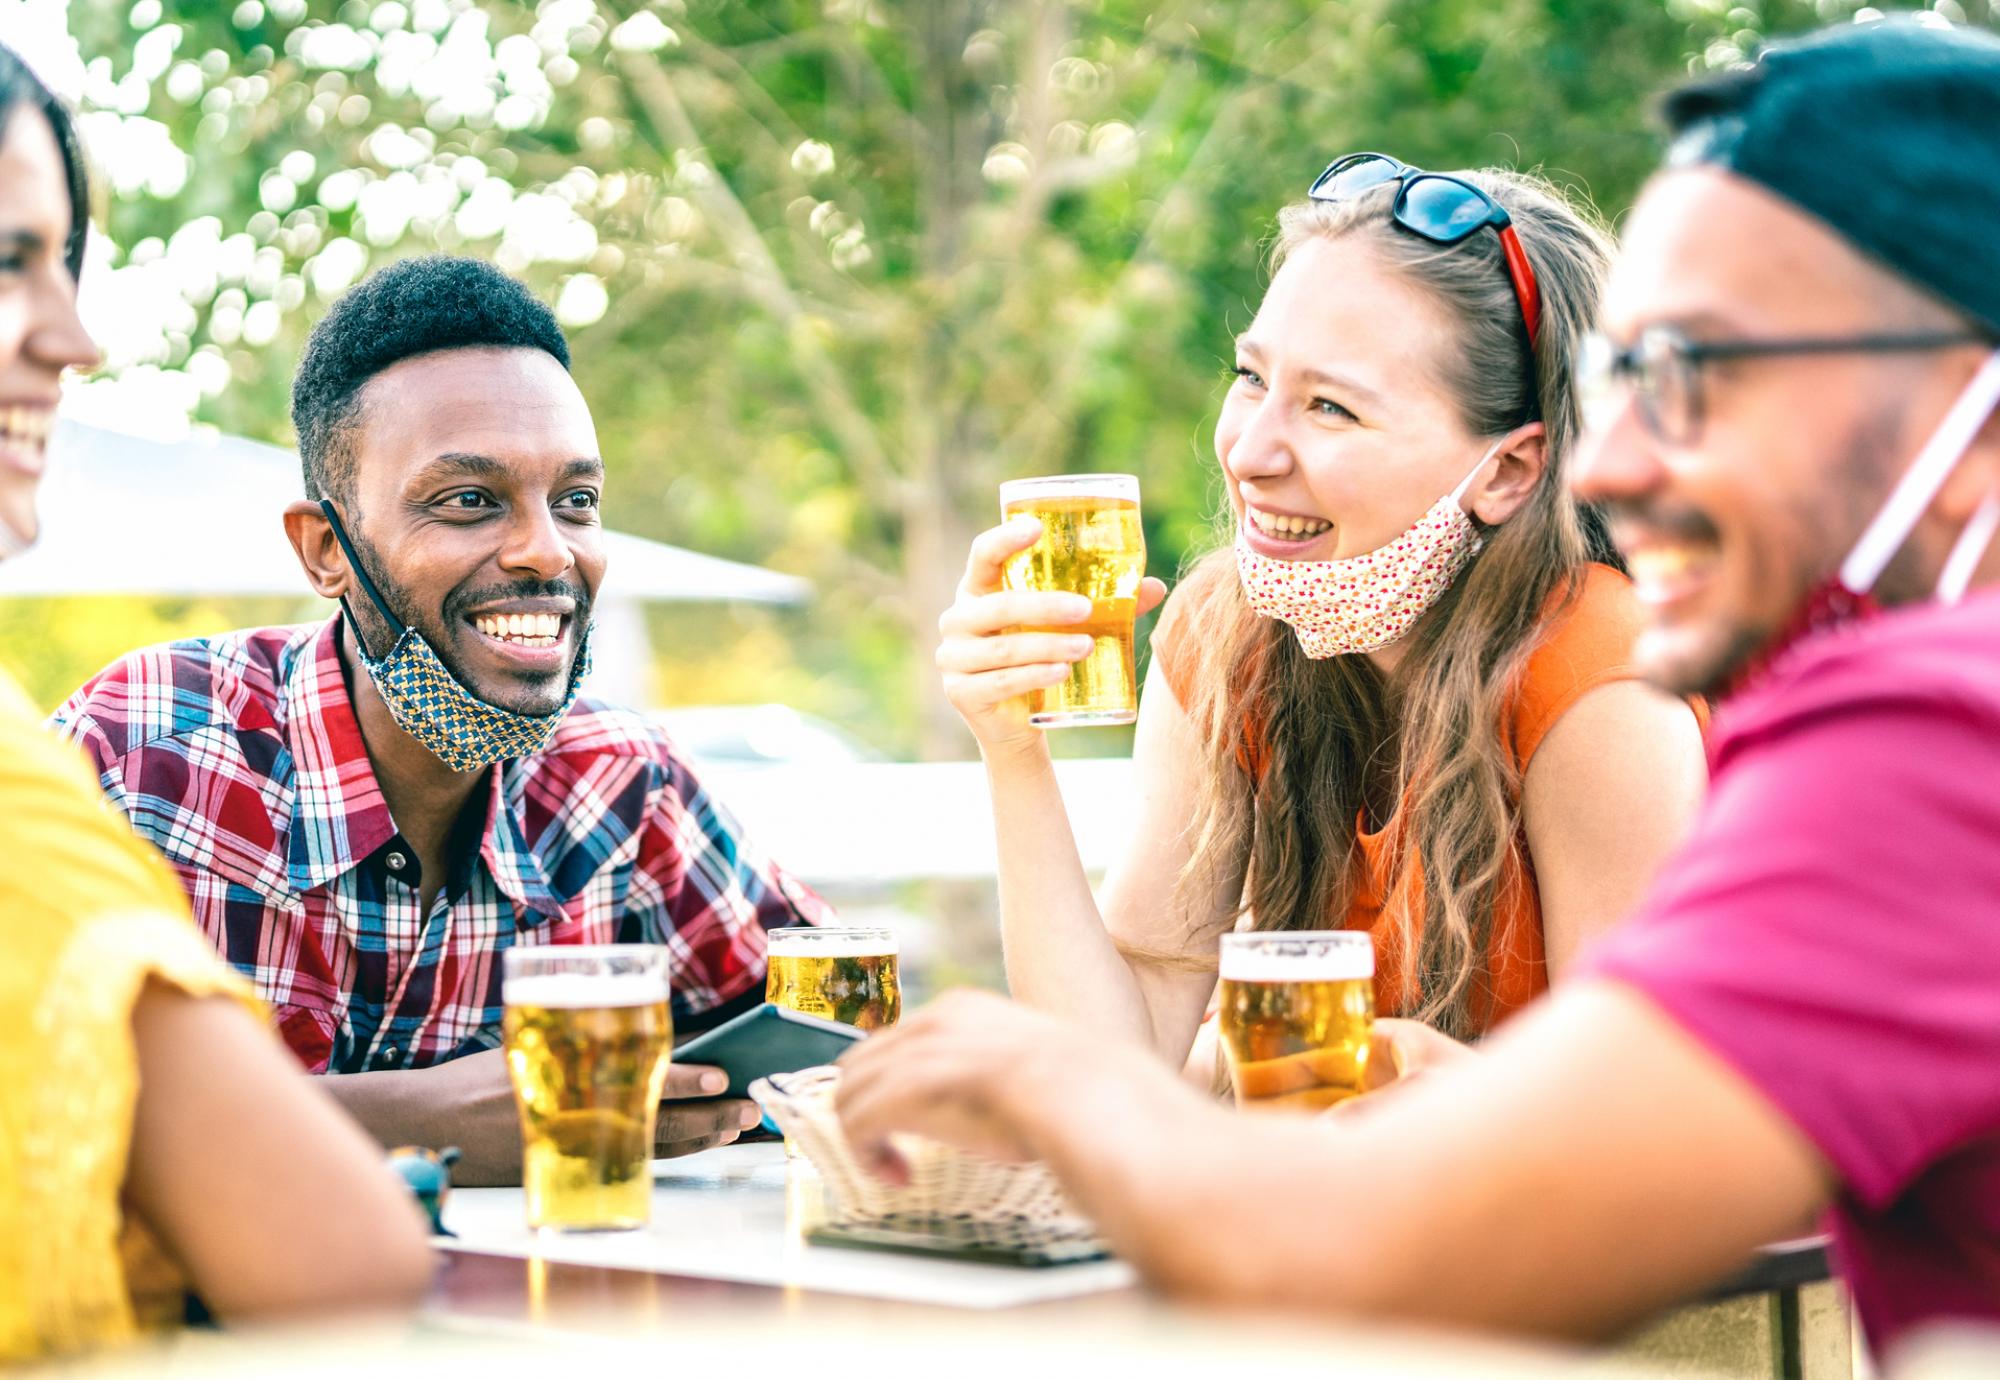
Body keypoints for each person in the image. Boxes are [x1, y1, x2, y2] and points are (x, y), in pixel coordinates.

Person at [835, 18, 2000, 1353]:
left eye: (1709, 376)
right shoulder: (1238, 635)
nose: (1617, 468)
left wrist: (1057, 1089)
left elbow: (1541, 1209)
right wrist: (1014, 748)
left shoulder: (1911, 727)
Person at [51, 255, 833, 1185]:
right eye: (469, 501)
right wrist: (426, 1124)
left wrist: (721, 1095)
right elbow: (34, 1097)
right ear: (326, 550)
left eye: (576, 502)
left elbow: (835, 1033)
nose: (547, 551)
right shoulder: (145, 749)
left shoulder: (623, 779)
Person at [937, 157, 1704, 1077]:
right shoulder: (1226, 635)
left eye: (1330, 407)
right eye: (1252, 377)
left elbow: (1640, 1109)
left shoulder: (1600, 672)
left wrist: (1431, 1080)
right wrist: (1011, 747)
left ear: (1508, 471)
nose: (1250, 453)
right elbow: (1113, 1063)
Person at [0, 44, 431, 1358]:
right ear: (321, 548)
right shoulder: (103, 750)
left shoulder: (621, 773)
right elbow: (340, 1263)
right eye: (8, 260)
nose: (78, 338)